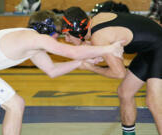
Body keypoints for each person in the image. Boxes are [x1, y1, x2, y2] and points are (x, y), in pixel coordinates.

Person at [0, 10, 124, 135]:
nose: (57, 38)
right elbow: (72, 52)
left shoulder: (30, 42)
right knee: (15, 104)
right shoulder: (34, 38)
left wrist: (81, 63)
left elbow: (52, 70)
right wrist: (108, 48)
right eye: (56, 33)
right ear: (45, 28)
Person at [62, 6, 162, 135]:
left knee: (154, 102)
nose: (66, 39)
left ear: (76, 30)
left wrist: (91, 67)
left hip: (158, 47)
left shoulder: (99, 36)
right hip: (149, 49)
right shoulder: (96, 21)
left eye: (67, 34)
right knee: (124, 92)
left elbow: (119, 73)